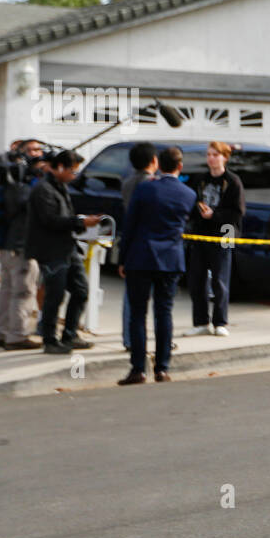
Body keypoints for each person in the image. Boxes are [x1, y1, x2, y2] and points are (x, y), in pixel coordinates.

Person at [117, 146, 194, 385]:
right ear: (180, 167)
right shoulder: (188, 194)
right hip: (170, 258)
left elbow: (129, 225)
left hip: (141, 256)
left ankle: (138, 368)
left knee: (138, 315)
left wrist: (122, 258)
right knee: (164, 313)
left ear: (158, 164)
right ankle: (162, 367)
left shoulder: (145, 188)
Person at [25, 150, 100, 354]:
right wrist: (80, 222)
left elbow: (64, 217)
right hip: (51, 250)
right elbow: (50, 220)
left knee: (81, 290)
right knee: (55, 295)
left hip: (67, 247)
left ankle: (70, 334)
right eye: (72, 171)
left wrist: (81, 222)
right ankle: (50, 339)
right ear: (59, 168)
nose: (74, 175)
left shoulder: (60, 187)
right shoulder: (43, 190)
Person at [186, 140, 244, 337]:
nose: (211, 158)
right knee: (197, 281)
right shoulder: (200, 179)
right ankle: (201, 321)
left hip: (222, 235)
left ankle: (220, 321)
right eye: (209, 154)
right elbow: (192, 204)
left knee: (220, 281)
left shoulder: (233, 181)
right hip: (200, 236)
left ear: (224, 158)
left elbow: (237, 212)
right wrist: (198, 213)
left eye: (215, 155)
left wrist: (215, 215)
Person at [0, 148, 41, 350]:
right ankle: (17, 336)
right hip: (20, 248)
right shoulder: (22, 190)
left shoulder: (5, 188)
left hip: (6, 246)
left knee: (6, 291)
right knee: (23, 293)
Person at [120, 142, 159, 350]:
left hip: (133, 243)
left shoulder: (127, 183)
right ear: (153, 161)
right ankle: (158, 339)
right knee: (156, 299)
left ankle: (129, 338)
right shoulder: (152, 184)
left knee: (131, 298)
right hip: (152, 245)